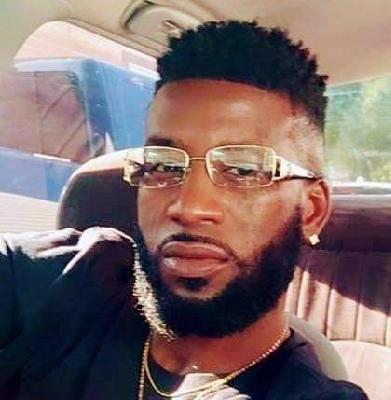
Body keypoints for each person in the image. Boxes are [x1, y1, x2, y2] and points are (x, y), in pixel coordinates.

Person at [0, 21, 368, 400]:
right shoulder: (61, 279)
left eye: (243, 170)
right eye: (163, 165)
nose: (189, 207)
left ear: (311, 211)